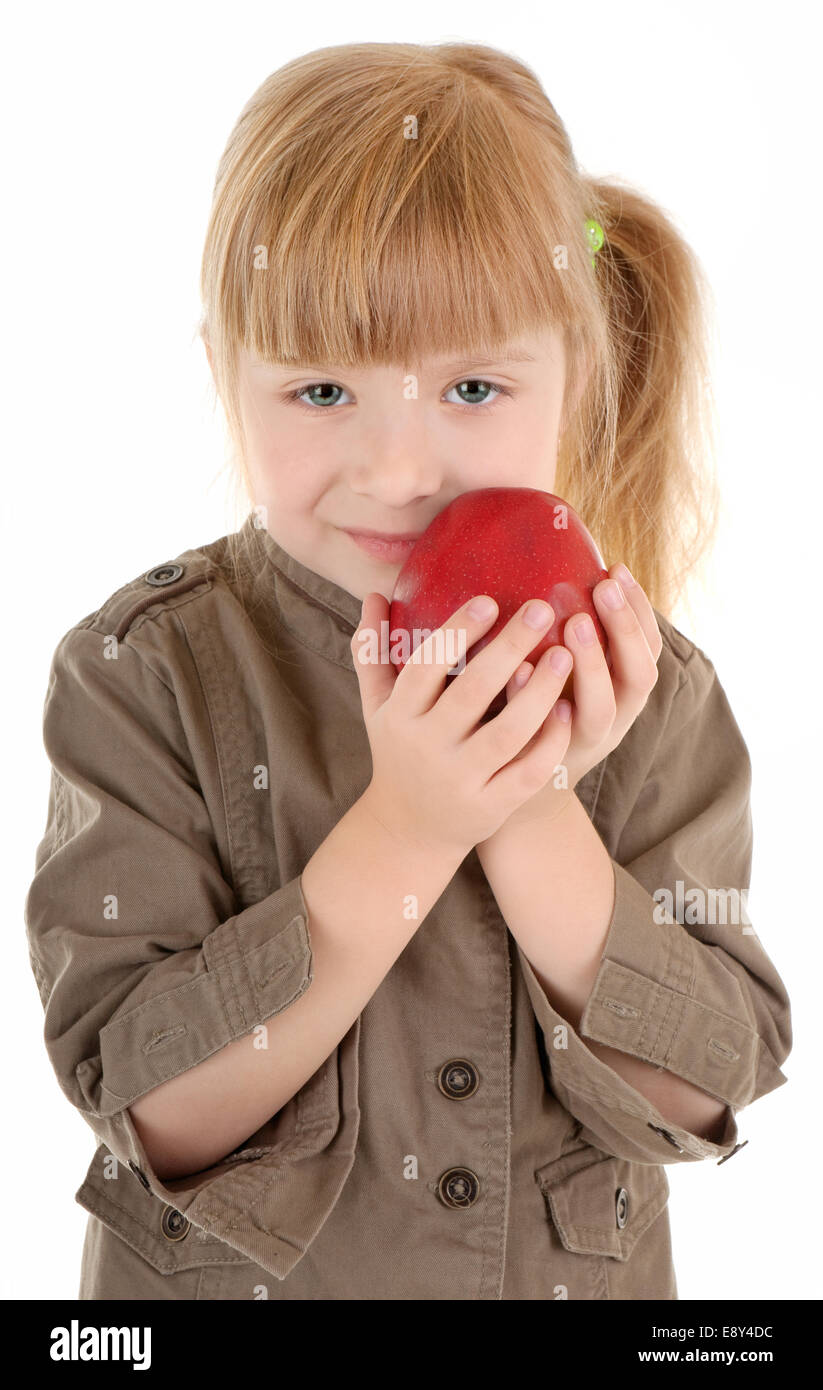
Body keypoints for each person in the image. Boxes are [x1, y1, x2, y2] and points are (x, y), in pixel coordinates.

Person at [24, 41, 791, 1301]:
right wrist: (407, 828)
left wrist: (529, 805)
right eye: (321, 388)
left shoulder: (654, 693)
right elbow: (152, 1109)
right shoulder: (141, 676)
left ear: (574, 378)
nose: (395, 468)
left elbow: (707, 1084)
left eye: (474, 384)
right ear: (227, 378)